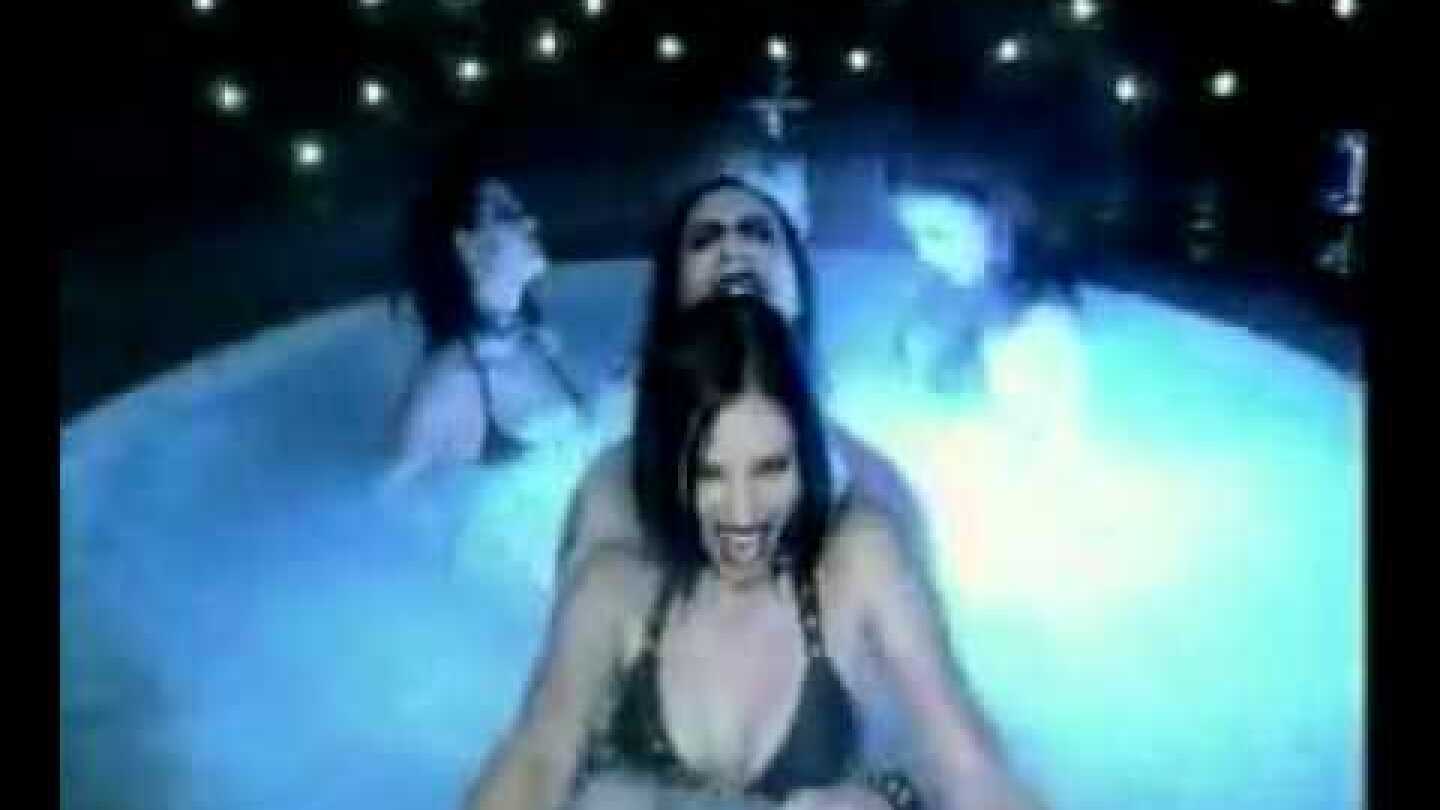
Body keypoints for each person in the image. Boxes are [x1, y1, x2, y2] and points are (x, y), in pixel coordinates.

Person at [462, 297, 1042, 810]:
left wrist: (891, 799)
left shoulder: (857, 564)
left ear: (806, 458)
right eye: (709, 473)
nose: (743, 512)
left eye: (770, 469)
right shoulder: (613, 593)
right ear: (666, 468)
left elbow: (969, 766)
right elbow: (536, 762)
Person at [557, 175, 929, 583]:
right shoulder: (614, 492)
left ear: (798, 287)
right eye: (705, 239)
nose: (732, 249)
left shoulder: (872, 487)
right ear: (672, 292)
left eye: (757, 233)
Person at [387, 174, 587, 485]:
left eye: (522, 212)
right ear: (466, 246)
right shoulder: (445, 389)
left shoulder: (538, 341)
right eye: (506, 215)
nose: (531, 223)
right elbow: (389, 497)